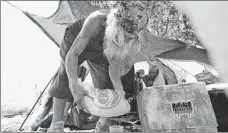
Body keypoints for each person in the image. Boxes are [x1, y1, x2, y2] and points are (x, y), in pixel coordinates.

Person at [47, 2, 184, 132]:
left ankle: (102, 124)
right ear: (117, 25)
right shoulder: (97, 20)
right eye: (124, 34)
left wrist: (120, 92)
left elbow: (114, 66)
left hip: (101, 49)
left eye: (130, 36)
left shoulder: (127, 37)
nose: (127, 38)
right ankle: (56, 124)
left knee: (106, 81)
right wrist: (73, 83)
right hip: (76, 41)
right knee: (66, 73)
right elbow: (73, 54)